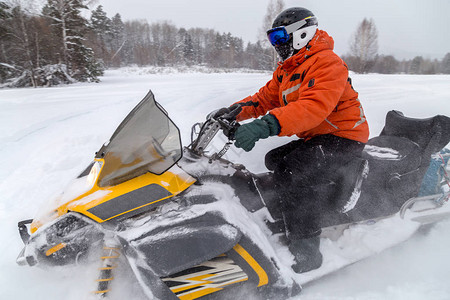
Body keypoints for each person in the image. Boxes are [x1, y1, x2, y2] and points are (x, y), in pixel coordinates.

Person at [209, 7, 369, 273]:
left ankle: (307, 251)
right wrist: (232, 112)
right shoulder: (288, 69)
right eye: (273, 39)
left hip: (344, 136)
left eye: (280, 37)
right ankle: (289, 211)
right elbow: (263, 99)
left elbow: (314, 107)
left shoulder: (327, 62)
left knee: (293, 170)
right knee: (275, 159)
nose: (277, 45)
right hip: (319, 135)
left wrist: (265, 126)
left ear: (302, 34)